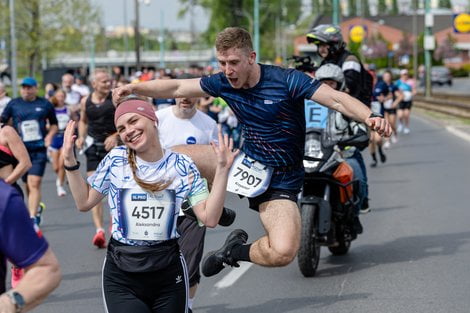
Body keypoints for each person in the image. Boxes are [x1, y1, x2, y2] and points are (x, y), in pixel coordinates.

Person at [113, 27, 391, 278]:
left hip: (281, 180)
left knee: (283, 251)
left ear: (251, 57)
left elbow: (336, 99)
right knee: (172, 153)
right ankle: (208, 206)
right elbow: (176, 86)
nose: (228, 70)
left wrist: (370, 116)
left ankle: (234, 252)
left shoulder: (287, 80)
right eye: (222, 63)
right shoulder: (222, 82)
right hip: (244, 162)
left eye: (233, 63)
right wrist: (133, 88)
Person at [63, 97, 237, 313]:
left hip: (167, 272)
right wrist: (70, 162)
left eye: (134, 121)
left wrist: (221, 170)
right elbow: (84, 202)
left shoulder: (182, 165)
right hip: (122, 273)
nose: (129, 130)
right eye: (122, 128)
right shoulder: (116, 160)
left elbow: (209, 218)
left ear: (152, 119)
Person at [157, 93, 235, 312]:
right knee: (160, 258)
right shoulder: (158, 119)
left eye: (191, 96)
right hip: (162, 200)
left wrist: (213, 201)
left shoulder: (208, 124)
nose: (185, 100)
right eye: (181, 96)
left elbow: (216, 166)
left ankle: (187, 306)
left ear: (199, 98)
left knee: (190, 257)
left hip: (194, 200)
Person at [306, 24, 372, 214]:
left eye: (323, 45)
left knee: (351, 155)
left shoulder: (349, 60)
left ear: (334, 44)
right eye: (318, 46)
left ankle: (362, 196)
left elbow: (348, 88)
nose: (320, 50)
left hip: (352, 115)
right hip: (328, 115)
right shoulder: (328, 62)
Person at [314, 63, 370, 227]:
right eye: (323, 83)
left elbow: (360, 130)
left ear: (340, 85)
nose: (327, 87)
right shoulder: (306, 106)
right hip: (313, 155)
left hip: (341, 155)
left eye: (331, 83)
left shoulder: (347, 106)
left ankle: (354, 213)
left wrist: (356, 137)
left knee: (356, 174)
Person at [0, 77, 58, 226]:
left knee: (34, 182)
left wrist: (50, 136)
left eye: (29, 87)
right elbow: (3, 121)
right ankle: (36, 207)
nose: (26, 90)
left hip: (38, 149)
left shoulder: (45, 104)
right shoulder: (14, 104)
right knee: (27, 183)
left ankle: (32, 217)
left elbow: (54, 124)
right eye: (23, 87)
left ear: (35, 88)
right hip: (19, 149)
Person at [0, 180, 61, 313]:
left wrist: (8, 304)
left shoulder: (3, 198)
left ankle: (34, 215)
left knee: (34, 183)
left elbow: (47, 268)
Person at [76, 68, 118, 248]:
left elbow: (127, 120)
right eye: (104, 82)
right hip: (94, 148)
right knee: (95, 189)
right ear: (94, 84)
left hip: (114, 148)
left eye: (109, 81)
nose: (108, 84)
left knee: (116, 188)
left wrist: (116, 135)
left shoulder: (115, 98)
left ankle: (115, 221)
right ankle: (99, 230)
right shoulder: (85, 101)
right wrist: (81, 137)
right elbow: (83, 121)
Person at [0, 123, 32, 288]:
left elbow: (25, 163)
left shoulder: (6, 132)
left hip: (7, 192)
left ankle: (18, 266)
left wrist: (5, 184)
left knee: (11, 239)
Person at [49, 89, 73, 197]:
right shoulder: (51, 109)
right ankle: (61, 177)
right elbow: (46, 123)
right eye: (58, 96)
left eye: (62, 96)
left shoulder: (68, 109)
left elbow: (74, 122)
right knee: (55, 167)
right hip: (54, 138)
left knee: (61, 164)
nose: (60, 98)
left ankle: (60, 186)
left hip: (64, 137)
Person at [380, 70, 403, 149]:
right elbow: (378, 96)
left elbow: (400, 96)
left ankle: (395, 133)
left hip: (392, 108)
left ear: (390, 77)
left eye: (388, 76)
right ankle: (387, 141)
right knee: (387, 124)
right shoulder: (381, 86)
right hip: (384, 108)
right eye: (385, 76)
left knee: (392, 123)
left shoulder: (393, 86)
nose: (387, 78)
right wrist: (383, 99)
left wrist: (395, 103)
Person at [395, 69, 416, 134]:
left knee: (406, 115)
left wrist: (411, 94)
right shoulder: (398, 82)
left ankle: (406, 127)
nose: (405, 76)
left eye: (406, 74)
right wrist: (399, 95)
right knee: (400, 115)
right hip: (401, 100)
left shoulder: (411, 82)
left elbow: (414, 90)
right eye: (404, 74)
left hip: (408, 100)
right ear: (401, 75)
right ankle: (400, 124)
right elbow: (395, 91)